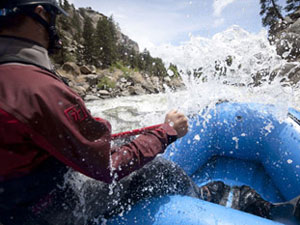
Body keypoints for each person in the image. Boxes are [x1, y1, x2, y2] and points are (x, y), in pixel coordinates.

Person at [0, 1, 299, 225]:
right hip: (44, 211)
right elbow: (108, 166)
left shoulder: (13, 78)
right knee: (159, 170)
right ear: (39, 13)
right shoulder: (36, 88)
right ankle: (222, 198)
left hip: (18, 202)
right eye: (53, 16)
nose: (55, 25)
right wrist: (165, 131)